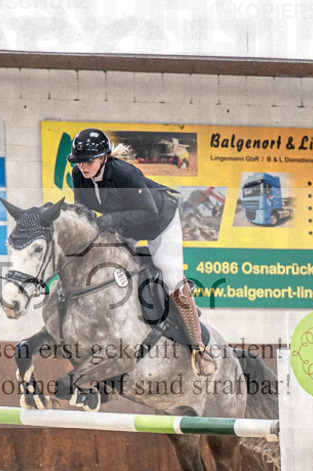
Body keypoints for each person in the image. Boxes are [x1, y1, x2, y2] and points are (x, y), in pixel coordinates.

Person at [67, 127, 217, 377]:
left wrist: (111, 220)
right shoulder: (78, 175)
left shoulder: (125, 173)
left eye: (89, 160)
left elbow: (149, 212)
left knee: (170, 276)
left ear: (104, 157)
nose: (83, 166)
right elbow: (83, 210)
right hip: (127, 225)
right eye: (79, 161)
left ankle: (199, 348)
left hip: (159, 222)